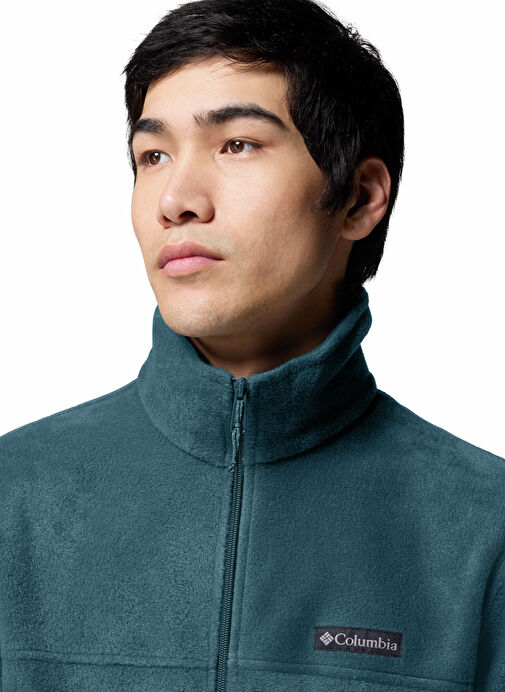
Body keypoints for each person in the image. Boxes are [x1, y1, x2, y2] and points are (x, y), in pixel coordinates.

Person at [0, 0, 503, 689]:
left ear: (358, 198)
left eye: (236, 144)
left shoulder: (482, 531)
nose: (175, 200)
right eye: (153, 155)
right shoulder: (14, 496)